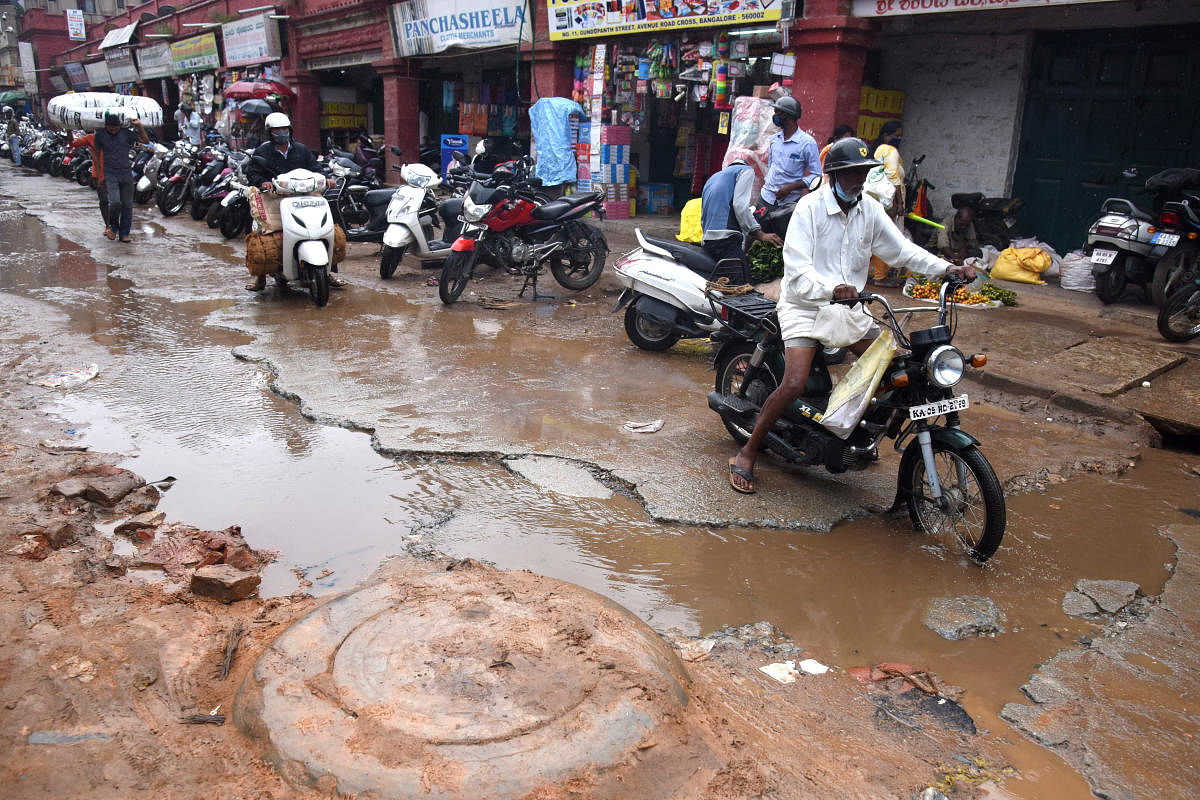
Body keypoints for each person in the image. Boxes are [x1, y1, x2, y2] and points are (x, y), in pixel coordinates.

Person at [726, 138, 976, 494]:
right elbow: (797, 273)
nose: (860, 179)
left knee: (894, 370)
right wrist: (833, 289)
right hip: (806, 308)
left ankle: (856, 433)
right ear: (833, 176)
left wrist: (947, 268)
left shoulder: (869, 210)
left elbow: (902, 251)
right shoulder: (809, 209)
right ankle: (748, 452)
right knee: (795, 382)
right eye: (852, 173)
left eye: (864, 172)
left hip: (849, 310)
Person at [244, 112, 344, 292]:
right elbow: (252, 172)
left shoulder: (302, 150)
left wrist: (326, 178)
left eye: (284, 129)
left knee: (326, 227)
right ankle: (260, 279)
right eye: (277, 130)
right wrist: (262, 182)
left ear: (289, 130)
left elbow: (315, 168)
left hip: (303, 195)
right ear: (270, 132)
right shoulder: (263, 151)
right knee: (260, 229)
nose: (281, 132)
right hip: (274, 196)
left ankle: (327, 272)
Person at [700, 160, 783, 284]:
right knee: (743, 286)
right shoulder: (745, 171)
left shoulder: (714, 177)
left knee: (725, 284)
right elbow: (740, 206)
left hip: (708, 241)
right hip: (726, 241)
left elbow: (703, 215)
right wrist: (759, 233)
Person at [93, 112, 150, 243]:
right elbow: (96, 155)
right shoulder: (100, 135)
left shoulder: (126, 133)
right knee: (115, 202)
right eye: (110, 127)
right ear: (106, 126)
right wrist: (100, 175)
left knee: (127, 205)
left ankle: (124, 233)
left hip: (126, 172)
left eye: (116, 127)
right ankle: (113, 228)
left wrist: (140, 125)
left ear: (119, 125)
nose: (113, 130)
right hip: (110, 173)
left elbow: (146, 141)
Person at [759, 96, 821, 209]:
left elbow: (816, 176)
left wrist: (791, 187)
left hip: (788, 204)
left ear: (787, 115)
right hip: (766, 198)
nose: (775, 116)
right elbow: (771, 167)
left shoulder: (807, 143)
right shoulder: (774, 140)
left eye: (777, 113)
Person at [868, 120, 906, 287]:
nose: (899, 138)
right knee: (884, 238)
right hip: (888, 203)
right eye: (896, 135)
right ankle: (880, 277)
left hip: (879, 201)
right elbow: (893, 176)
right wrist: (900, 202)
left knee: (875, 237)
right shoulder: (890, 150)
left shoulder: (878, 150)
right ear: (886, 135)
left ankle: (878, 274)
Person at [69, 130, 111, 237]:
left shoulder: (115, 137)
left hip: (114, 174)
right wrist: (68, 130)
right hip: (99, 175)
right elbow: (73, 143)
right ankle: (108, 226)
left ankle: (115, 225)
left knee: (117, 202)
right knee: (104, 201)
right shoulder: (91, 137)